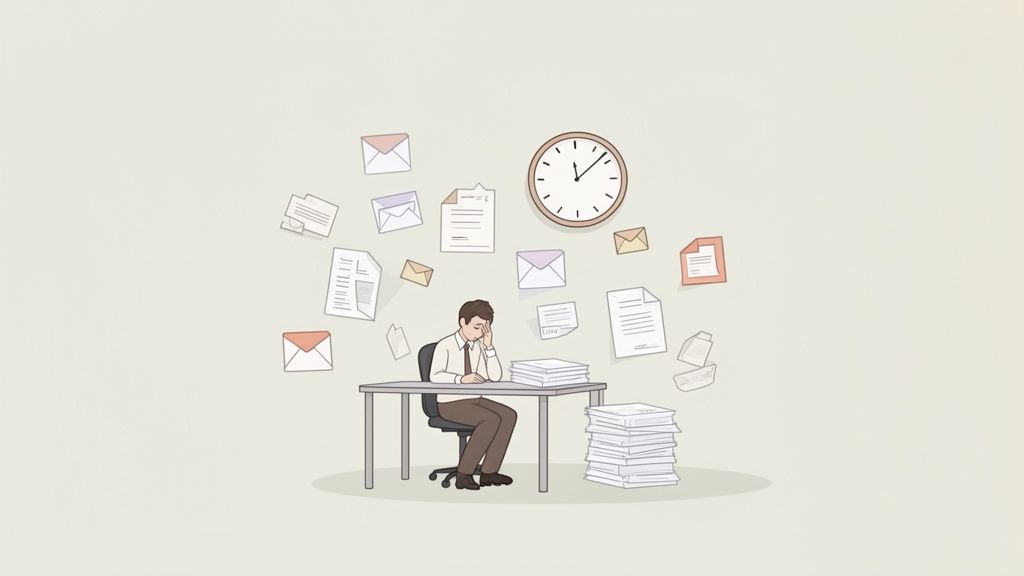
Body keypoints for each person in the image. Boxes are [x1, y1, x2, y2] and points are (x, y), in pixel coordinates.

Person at [429, 299, 516, 490]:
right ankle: (464, 474)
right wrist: (461, 379)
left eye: (484, 329)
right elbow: (434, 376)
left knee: (509, 415)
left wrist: (489, 347)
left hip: (474, 400)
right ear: (463, 322)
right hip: (450, 403)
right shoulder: (445, 345)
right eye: (477, 327)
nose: (480, 333)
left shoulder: (478, 346)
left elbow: (494, 376)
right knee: (490, 419)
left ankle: (489, 472)